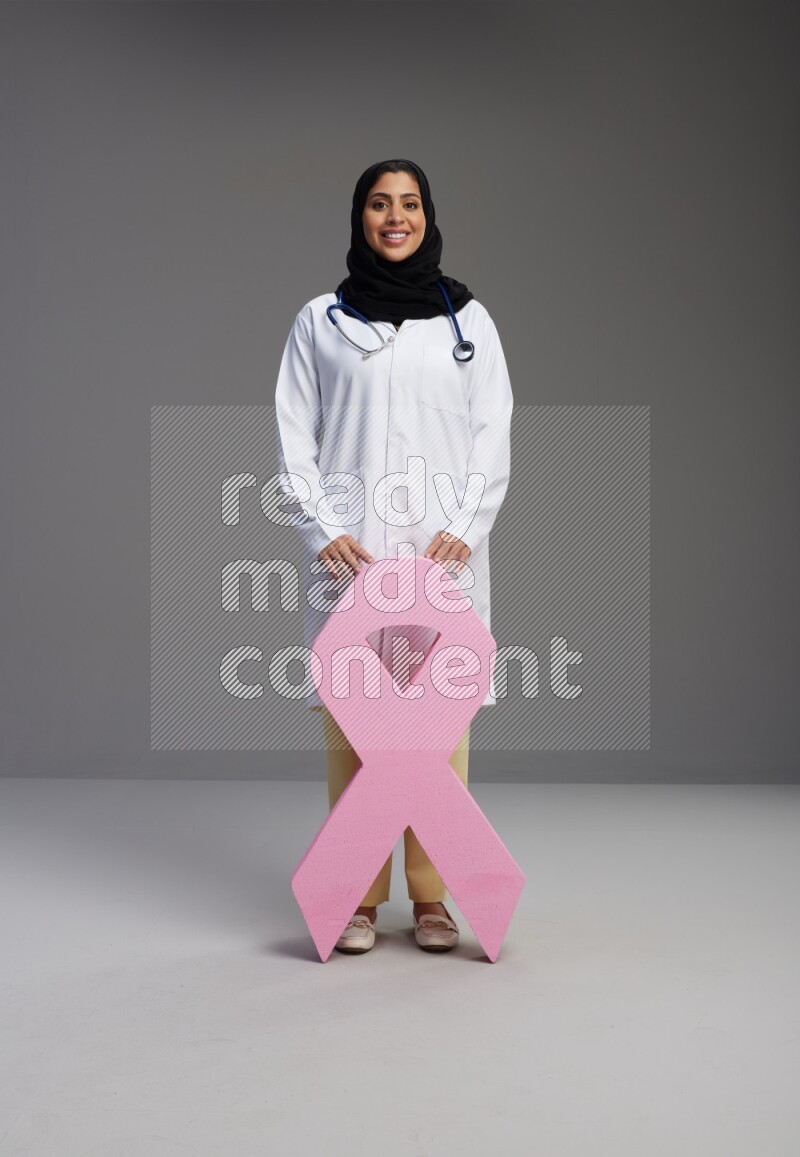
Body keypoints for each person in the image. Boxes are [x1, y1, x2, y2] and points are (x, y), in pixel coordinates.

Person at [274, 158, 513, 954]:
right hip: (356, 561)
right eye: (380, 204)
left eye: (409, 203)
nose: (395, 217)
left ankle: (434, 899)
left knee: (439, 736)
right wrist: (321, 527)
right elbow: (293, 439)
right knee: (354, 731)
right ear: (360, 218)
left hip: (442, 558)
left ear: (428, 215)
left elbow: (494, 436)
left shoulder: (467, 324)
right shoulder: (321, 321)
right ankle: (359, 897)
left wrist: (465, 523)